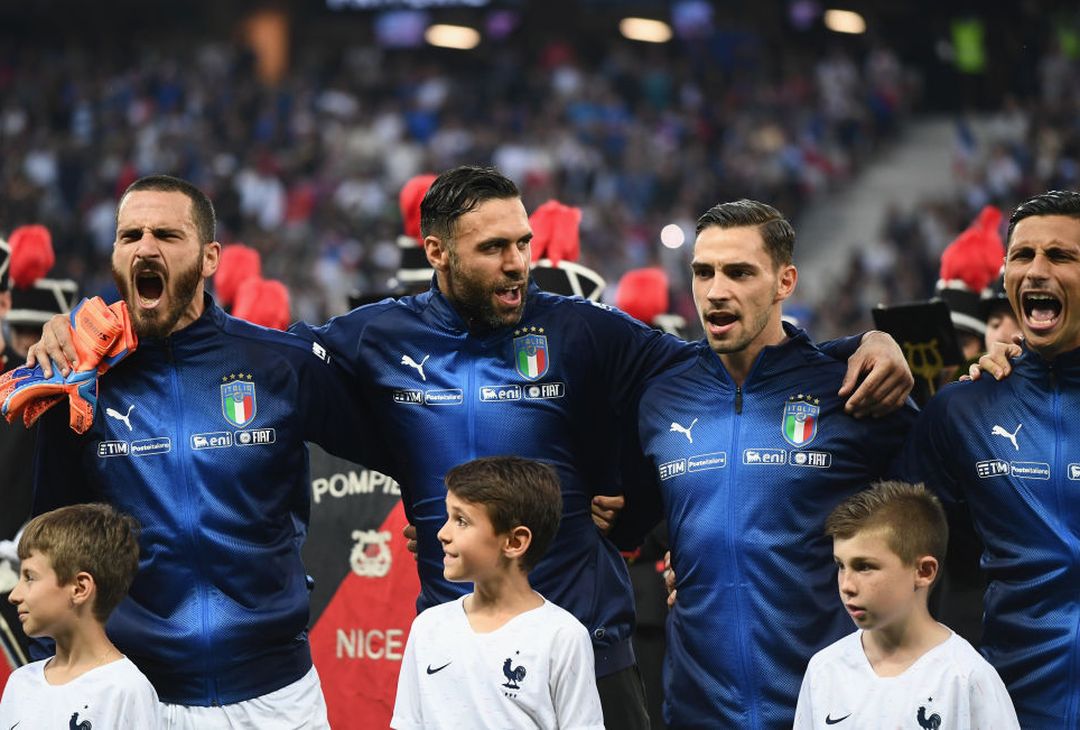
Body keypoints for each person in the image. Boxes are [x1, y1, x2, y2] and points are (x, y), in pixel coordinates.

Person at [30, 166, 912, 728]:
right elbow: (251, 359)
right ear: (438, 253)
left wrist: (854, 347)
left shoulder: (584, 332)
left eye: (525, 242)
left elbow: (723, 363)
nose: (519, 262)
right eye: (495, 249)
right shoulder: (371, 340)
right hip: (451, 645)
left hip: (591, 645)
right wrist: (74, 334)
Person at [22, 174, 366, 728]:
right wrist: (56, 679)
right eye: (130, 235)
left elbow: (398, 440)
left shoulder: (281, 365)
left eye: (166, 234)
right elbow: (52, 539)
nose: (145, 247)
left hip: (278, 696)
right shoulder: (81, 383)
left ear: (210, 258)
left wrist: (434, 504)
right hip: (141, 697)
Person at [622, 199, 918, 728]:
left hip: (832, 709)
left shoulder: (850, 390)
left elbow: (935, 528)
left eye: (739, 272)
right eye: (703, 272)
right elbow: (636, 520)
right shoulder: (662, 397)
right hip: (695, 710)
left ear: (785, 282)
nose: (716, 291)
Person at [896, 189, 1080, 728]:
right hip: (1003, 707)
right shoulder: (962, 409)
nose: (1036, 271)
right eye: (1022, 256)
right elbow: (902, 550)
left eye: (1061, 256)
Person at [391, 456, 603, 730]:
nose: (443, 533)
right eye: (448, 517)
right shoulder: (428, 627)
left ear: (515, 542)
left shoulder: (562, 636)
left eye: (462, 521)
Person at [793, 481, 1018, 729]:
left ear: (924, 571)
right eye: (840, 565)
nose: (846, 585)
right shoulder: (824, 671)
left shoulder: (967, 678)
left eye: (864, 566)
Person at [0, 503, 160, 728]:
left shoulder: (124, 689)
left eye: (29, 577)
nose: (14, 595)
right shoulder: (20, 683)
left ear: (79, 588)